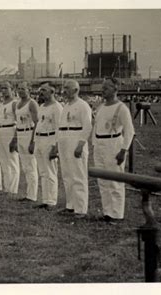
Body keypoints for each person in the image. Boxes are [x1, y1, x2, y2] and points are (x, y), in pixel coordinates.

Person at [93, 77, 135, 224]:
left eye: (106, 88)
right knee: (102, 180)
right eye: (102, 87)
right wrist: (95, 145)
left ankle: (116, 214)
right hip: (99, 144)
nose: (103, 90)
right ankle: (107, 212)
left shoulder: (122, 108)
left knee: (115, 180)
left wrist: (123, 150)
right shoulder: (101, 107)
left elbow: (129, 131)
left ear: (115, 89)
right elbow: (96, 126)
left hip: (113, 143)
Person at [50, 79, 92, 218]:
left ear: (76, 90)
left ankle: (80, 209)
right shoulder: (66, 106)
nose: (64, 90)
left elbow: (87, 127)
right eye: (64, 88)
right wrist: (57, 144)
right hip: (64, 138)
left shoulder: (83, 105)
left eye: (67, 88)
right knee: (67, 174)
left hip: (75, 138)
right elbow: (60, 126)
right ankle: (70, 205)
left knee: (78, 174)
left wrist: (80, 145)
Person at [33, 84, 62, 210]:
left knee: (50, 171)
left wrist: (55, 147)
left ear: (52, 91)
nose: (41, 92)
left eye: (44, 90)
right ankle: (45, 199)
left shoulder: (57, 107)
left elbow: (58, 128)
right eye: (40, 90)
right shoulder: (42, 106)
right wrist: (34, 141)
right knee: (43, 171)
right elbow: (39, 124)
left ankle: (51, 201)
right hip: (40, 138)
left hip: (50, 139)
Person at [0, 81, 20, 195]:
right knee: (3, 161)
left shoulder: (15, 103)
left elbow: (18, 122)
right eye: (2, 88)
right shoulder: (2, 104)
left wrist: (15, 138)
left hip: (10, 130)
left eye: (6, 88)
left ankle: (13, 189)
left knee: (12, 160)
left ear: (12, 89)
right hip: (1, 131)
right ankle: (7, 188)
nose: (3, 90)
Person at [13, 81, 39, 202]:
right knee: (25, 166)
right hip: (20, 133)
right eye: (19, 88)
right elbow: (17, 122)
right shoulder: (17, 103)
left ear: (29, 89)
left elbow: (37, 123)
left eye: (23, 88)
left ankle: (32, 195)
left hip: (29, 133)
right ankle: (28, 193)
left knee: (31, 165)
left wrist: (33, 141)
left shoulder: (32, 103)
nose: (21, 91)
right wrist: (16, 138)